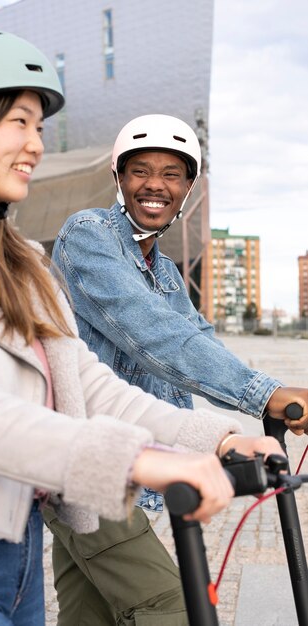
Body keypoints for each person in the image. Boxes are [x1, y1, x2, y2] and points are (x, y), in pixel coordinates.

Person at [0, 28, 275, 626]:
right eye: (19, 122)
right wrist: (137, 460)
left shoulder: (21, 260)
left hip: (15, 552)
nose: (36, 145)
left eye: (39, 128)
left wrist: (220, 437)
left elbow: (90, 387)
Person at [50, 113, 308, 625]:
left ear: (188, 188)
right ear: (119, 179)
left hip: (124, 463)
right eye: (141, 170)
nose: (156, 185)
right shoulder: (88, 236)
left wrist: (267, 402)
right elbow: (155, 337)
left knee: (88, 614)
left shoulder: (164, 271)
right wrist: (266, 394)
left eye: (172, 174)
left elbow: (198, 344)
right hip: (87, 461)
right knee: (170, 607)